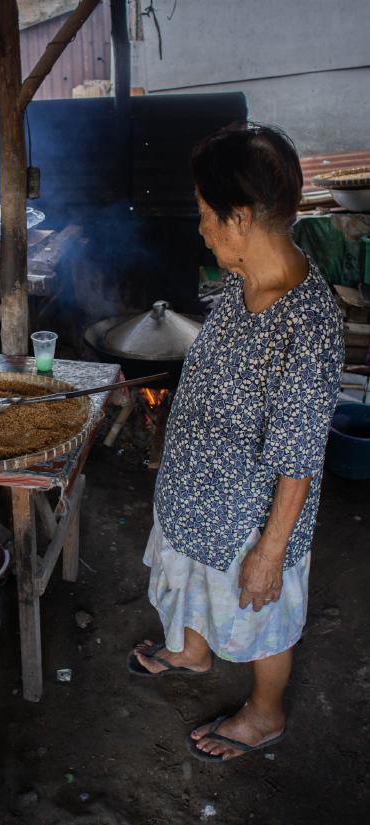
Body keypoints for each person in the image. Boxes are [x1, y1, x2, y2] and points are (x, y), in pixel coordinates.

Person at [128, 123, 344, 762]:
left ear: (241, 217)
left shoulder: (305, 323)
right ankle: (193, 652)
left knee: (259, 606)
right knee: (191, 577)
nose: (200, 227)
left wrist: (270, 552)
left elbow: (298, 461)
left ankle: (265, 712)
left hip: (251, 518)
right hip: (201, 493)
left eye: (204, 215)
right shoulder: (240, 280)